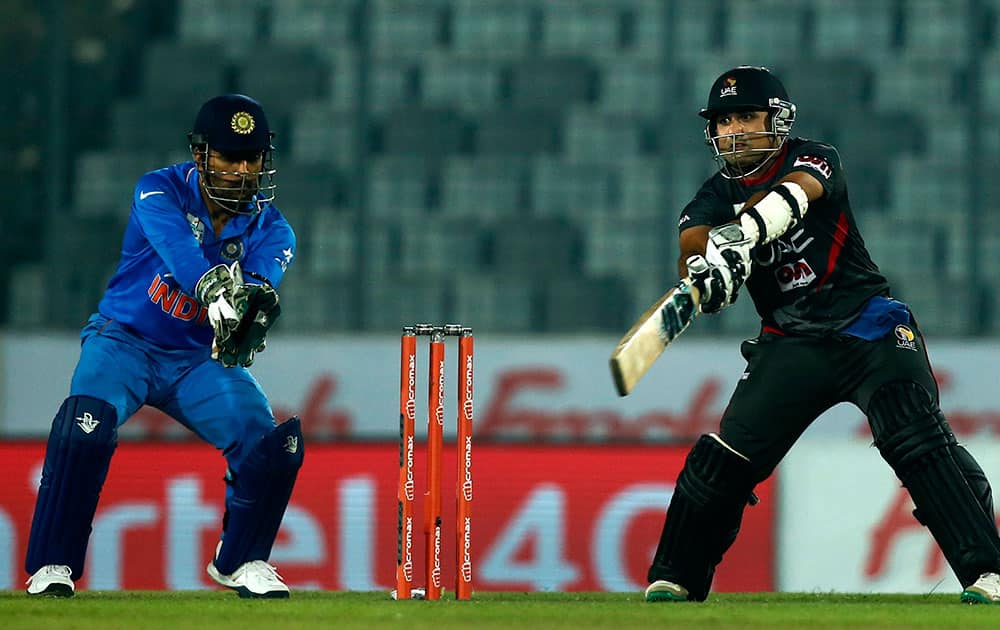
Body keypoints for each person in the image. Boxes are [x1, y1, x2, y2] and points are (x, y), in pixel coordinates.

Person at [644, 66, 1000, 605]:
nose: (735, 130)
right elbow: (692, 244)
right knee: (724, 460)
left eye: (746, 116)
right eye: (724, 121)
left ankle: (987, 574)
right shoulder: (712, 197)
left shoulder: (815, 158)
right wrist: (706, 274)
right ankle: (675, 581)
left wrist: (744, 235)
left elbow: (796, 195)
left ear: (777, 121)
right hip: (790, 344)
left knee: (917, 440)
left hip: (870, 330)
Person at [24, 94, 303, 599]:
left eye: (251, 158)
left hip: (198, 359)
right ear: (200, 155)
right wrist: (216, 289)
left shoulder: (274, 229)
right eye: (228, 157)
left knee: (270, 444)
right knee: (84, 426)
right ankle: (52, 566)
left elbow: (261, 284)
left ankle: (241, 560)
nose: (241, 170)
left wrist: (248, 310)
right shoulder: (158, 190)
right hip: (123, 342)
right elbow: (178, 250)